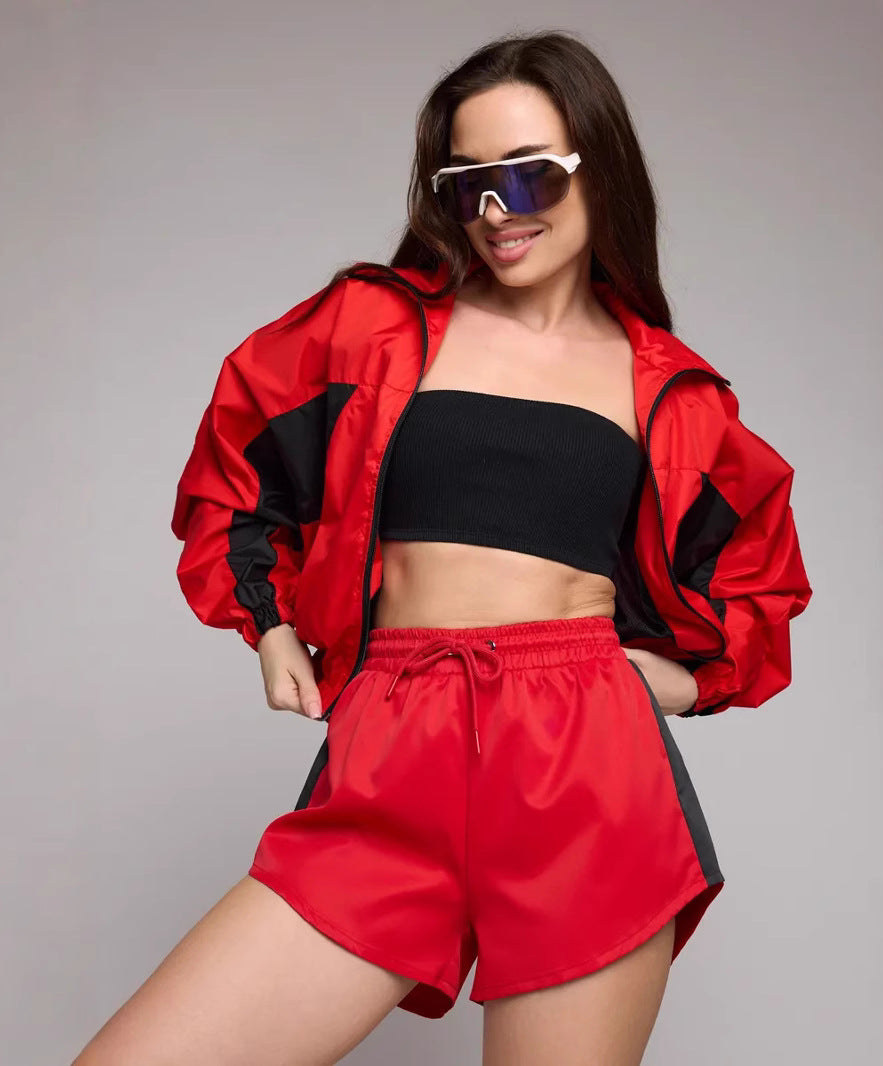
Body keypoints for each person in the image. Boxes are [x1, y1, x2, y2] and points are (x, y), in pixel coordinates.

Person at [73, 29, 811, 1066]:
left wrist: (684, 682)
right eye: (468, 183)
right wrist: (268, 622)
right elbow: (238, 459)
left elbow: (757, 570)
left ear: (599, 168)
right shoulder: (373, 325)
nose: (497, 209)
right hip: (394, 741)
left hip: (586, 768)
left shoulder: (669, 389)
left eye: (529, 174)